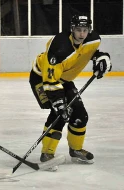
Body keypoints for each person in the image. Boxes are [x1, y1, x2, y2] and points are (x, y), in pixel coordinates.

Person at [29, 14, 112, 168]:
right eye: (79, 30)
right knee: (59, 113)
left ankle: (76, 149)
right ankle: (47, 153)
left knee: (80, 113)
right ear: (72, 29)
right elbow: (50, 81)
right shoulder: (59, 49)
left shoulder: (92, 39)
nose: (82, 33)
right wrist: (59, 104)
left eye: (85, 30)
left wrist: (101, 58)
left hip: (63, 80)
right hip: (42, 79)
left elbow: (89, 52)